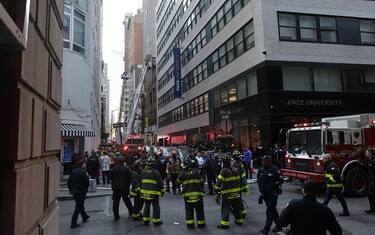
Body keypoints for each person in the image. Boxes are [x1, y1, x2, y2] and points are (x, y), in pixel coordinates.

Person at [215, 153, 243, 229]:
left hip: (227, 194)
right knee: (236, 207)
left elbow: (219, 183)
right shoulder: (234, 169)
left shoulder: (224, 171)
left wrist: (216, 190)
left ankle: (224, 224)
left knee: (225, 208)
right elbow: (238, 181)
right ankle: (239, 220)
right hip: (236, 193)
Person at [257, 155, 283, 235]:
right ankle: (279, 226)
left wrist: (272, 185)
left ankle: (266, 229)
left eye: (265, 160)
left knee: (269, 212)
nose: (263, 162)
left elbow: (281, 180)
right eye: (262, 160)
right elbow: (260, 183)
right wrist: (261, 194)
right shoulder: (260, 170)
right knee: (273, 211)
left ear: (269, 161)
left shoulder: (274, 169)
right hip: (265, 194)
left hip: (273, 194)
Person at [177, 158, 206, 229]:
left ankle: (190, 225)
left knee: (189, 210)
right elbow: (202, 181)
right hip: (198, 195)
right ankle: (201, 224)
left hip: (187, 196)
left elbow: (178, 181)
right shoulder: (196, 171)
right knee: (199, 210)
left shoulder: (183, 172)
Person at [140, 154, 164, 226]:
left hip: (144, 193)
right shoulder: (156, 172)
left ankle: (145, 220)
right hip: (154, 194)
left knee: (146, 206)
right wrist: (162, 191)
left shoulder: (143, 171)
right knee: (156, 207)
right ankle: (156, 221)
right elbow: (160, 183)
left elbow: (140, 182)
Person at [67, 159, 90, 228]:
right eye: (84, 164)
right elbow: (87, 182)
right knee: (78, 206)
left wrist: (71, 189)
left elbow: (68, 182)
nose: (85, 165)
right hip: (81, 191)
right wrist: (86, 189)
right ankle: (73, 222)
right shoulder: (83, 172)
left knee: (80, 203)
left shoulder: (73, 172)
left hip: (74, 191)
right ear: (82, 165)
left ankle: (84, 216)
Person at [109, 156, 133, 221]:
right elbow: (130, 178)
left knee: (116, 202)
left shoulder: (114, 169)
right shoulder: (127, 169)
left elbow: (110, 178)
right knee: (127, 200)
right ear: (123, 161)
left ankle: (116, 216)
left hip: (116, 188)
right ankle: (131, 212)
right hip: (125, 188)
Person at [231, 151, 249, 219]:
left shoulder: (237, 165)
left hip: (237, 184)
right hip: (240, 184)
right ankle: (240, 211)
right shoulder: (239, 164)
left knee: (237, 199)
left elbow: (236, 175)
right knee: (238, 198)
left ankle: (242, 212)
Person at [365, 149, 375, 214]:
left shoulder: (374, 161)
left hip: (374, 180)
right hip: (371, 179)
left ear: (370, 153)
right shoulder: (370, 160)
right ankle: (372, 209)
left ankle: (373, 209)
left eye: (367, 152)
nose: (366, 153)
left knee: (371, 194)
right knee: (370, 194)